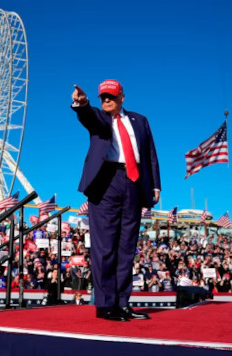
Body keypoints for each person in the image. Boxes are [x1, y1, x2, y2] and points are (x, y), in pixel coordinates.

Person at [72, 80, 161, 321]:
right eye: (103, 97)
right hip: (105, 182)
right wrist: (82, 105)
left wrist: (154, 184)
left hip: (133, 182)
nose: (106, 101)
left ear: (122, 97)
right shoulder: (100, 118)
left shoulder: (140, 121)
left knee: (127, 246)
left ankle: (122, 303)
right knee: (105, 247)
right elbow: (88, 117)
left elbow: (150, 153)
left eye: (111, 96)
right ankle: (105, 305)